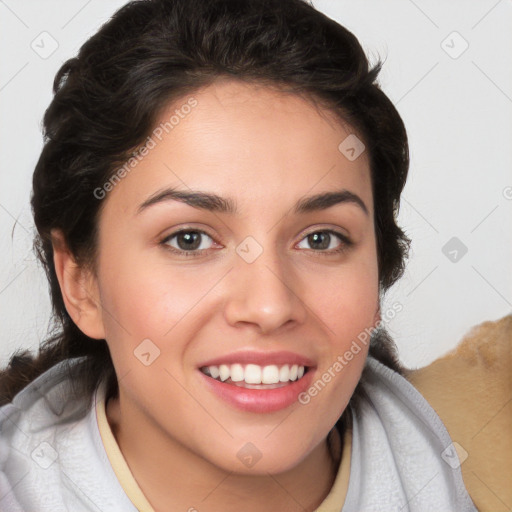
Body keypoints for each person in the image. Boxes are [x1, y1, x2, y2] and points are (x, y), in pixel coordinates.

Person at [0, 0, 501, 510]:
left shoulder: (487, 461)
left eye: (321, 239)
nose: (268, 306)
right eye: (189, 239)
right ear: (80, 282)